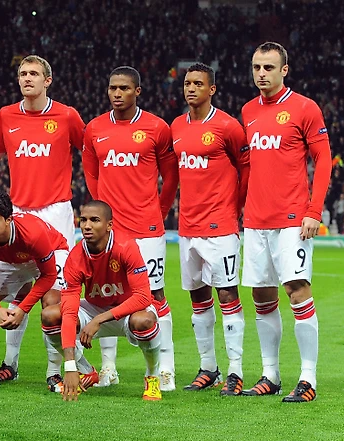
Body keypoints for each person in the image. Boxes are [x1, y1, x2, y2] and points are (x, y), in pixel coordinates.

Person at [0, 54, 90, 386]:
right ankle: (8, 364)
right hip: (18, 214)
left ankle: (54, 371)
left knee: (52, 297)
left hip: (55, 214)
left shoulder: (67, 115)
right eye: (23, 73)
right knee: (13, 289)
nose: (27, 78)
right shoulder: (7, 115)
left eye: (34, 73)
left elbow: (89, 149)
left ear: (47, 80)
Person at [241, 42, 331, 402]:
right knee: (262, 295)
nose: (261, 73)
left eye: (268, 67)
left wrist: (314, 211)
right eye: (256, 67)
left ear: (284, 70)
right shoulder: (248, 111)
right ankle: (271, 374)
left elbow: (323, 160)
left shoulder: (305, 108)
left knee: (296, 290)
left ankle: (308, 378)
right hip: (255, 219)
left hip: (293, 219)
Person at [82, 65, 179, 390]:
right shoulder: (95, 128)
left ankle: (165, 369)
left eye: (124, 88)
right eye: (113, 88)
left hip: (146, 229)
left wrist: (159, 211)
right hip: (110, 231)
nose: (117, 93)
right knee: (105, 295)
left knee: (155, 294)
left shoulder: (156, 127)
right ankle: (108, 369)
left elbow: (171, 176)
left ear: (137, 91)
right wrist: (102, 214)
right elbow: (91, 173)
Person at [170, 63, 250, 395]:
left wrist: (234, 208)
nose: (191, 88)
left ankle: (236, 371)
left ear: (211, 89)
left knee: (227, 294)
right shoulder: (176, 126)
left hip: (220, 227)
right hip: (187, 227)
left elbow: (246, 167)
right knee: (198, 297)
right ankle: (208, 368)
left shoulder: (227, 126)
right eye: (187, 83)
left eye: (198, 84)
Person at [40, 201, 161, 402]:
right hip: (94, 308)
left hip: (127, 310)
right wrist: (70, 366)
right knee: (50, 316)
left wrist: (99, 320)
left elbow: (143, 296)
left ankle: (152, 376)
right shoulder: (76, 256)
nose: (87, 226)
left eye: (94, 220)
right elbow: (69, 311)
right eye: (83, 220)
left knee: (144, 321)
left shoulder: (126, 247)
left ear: (109, 225)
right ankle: (86, 371)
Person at [0, 191, 81, 391]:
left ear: (8, 219)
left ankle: (54, 374)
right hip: (13, 260)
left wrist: (23, 309)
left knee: (51, 303)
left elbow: (48, 275)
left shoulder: (32, 234)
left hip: (53, 252)